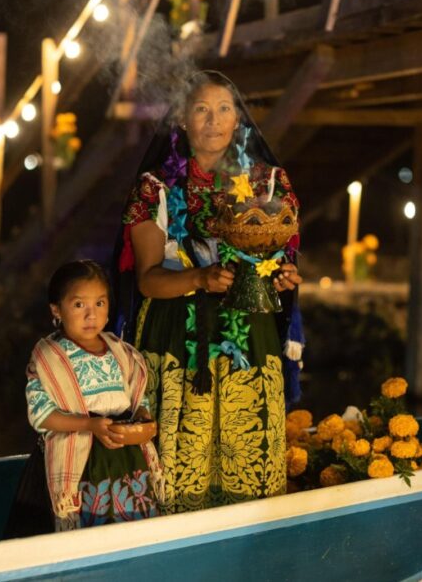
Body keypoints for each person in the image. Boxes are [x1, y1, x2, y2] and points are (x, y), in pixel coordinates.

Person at [115, 70, 305, 513]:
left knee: (251, 463)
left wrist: (283, 279)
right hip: (177, 337)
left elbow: (279, 261)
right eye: (201, 109)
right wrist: (199, 279)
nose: (213, 120)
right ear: (182, 118)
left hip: (249, 336)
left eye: (224, 109)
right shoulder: (155, 190)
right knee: (182, 467)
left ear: (238, 119)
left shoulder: (269, 185)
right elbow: (146, 280)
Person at [5, 260, 162, 535]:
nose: (91, 315)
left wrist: (144, 423)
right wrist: (90, 425)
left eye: (100, 304)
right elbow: (41, 414)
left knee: (133, 536)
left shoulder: (121, 352)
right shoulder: (50, 357)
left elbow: (139, 401)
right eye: (79, 305)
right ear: (57, 309)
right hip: (81, 464)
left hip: (126, 461)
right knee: (88, 533)